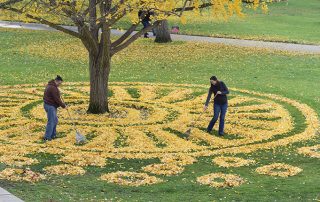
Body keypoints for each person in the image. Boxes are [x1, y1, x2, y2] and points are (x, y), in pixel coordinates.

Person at [43, 75, 66, 141]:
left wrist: (58, 92)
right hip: (50, 106)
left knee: (55, 120)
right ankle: (47, 137)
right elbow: (57, 99)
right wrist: (64, 106)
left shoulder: (52, 86)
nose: (59, 85)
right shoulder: (53, 88)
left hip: (49, 105)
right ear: (56, 81)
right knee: (51, 121)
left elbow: (56, 96)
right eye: (59, 83)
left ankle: (53, 135)